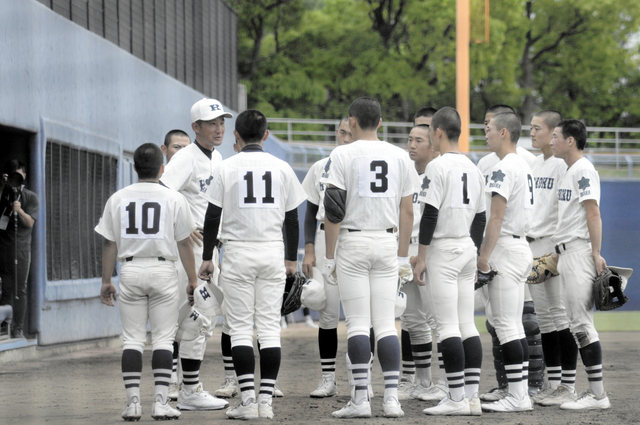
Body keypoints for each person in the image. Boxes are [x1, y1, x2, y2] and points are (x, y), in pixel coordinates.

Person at [198, 109, 307, 420]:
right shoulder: (282, 167)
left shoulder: (227, 167)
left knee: (241, 329)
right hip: (272, 252)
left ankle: (247, 403)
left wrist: (208, 256)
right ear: (266, 135)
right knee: (270, 330)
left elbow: (212, 217)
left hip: (237, 253)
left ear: (236, 135)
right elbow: (292, 218)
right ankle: (267, 403)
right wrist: (290, 258)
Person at [321, 96, 417, 418]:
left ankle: (360, 400)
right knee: (387, 324)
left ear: (351, 122)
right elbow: (407, 211)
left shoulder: (342, 153)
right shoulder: (400, 155)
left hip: (353, 241)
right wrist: (403, 255)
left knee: (359, 324)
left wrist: (329, 257)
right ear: (380, 122)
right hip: (387, 242)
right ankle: (392, 399)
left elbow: (333, 210)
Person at [95, 143, 196, 421]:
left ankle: (133, 403)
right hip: (164, 269)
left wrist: (106, 281)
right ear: (162, 168)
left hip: (129, 270)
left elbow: (108, 243)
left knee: (132, 340)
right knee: (163, 339)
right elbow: (185, 243)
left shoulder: (117, 198)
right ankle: (161, 403)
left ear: (134, 167)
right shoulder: (174, 198)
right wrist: (192, 280)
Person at [412, 107, 486, 415]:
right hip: (466, 247)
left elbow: (429, 214)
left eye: (430, 131)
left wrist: (422, 256)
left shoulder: (437, 167)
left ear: (439, 132)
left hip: (443, 248)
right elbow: (480, 218)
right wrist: (475, 251)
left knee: (446, 327)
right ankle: (471, 396)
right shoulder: (474, 167)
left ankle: (455, 398)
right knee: (467, 323)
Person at [159, 98, 231, 411]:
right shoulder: (186, 158)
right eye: (212, 123)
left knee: (199, 319)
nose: (219, 129)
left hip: (209, 249)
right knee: (194, 318)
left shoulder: (218, 158)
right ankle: (187, 390)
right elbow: (162, 193)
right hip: (187, 251)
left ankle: (184, 388)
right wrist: (183, 223)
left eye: (221, 122)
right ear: (196, 127)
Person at [476, 104, 543, 401]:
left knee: (505, 324)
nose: (485, 133)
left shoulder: (503, 166)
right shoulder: (522, 165)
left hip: (505, 246)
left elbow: (496, 217)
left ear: (504, 132)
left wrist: (483, 256)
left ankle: (517, 396)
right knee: (512, 324)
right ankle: (520, 394)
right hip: (520, 246)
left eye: (489, 128)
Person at [548, 119, 611, 410]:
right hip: (567, 253)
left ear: (570, 140)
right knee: (576, 323)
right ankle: (595, 394)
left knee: (582, 324)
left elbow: (593, 213)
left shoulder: (583, 169)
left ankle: (598, 396)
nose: (551, 140)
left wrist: (595, 253)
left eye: (556, 136)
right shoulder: (568, 170)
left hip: (578, 252)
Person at [526, 111, 580, 407]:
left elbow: (566, 211)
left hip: (552, 244)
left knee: (560, 315)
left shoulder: (562, 165)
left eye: (538, 128)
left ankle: (568, 386)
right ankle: (554, 383)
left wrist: (559, 250)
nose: (532, 133)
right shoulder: (535, 163)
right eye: (531, 128)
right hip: (533, 244)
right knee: (544, 318)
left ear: (553, 133)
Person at [301, 117, 353, 398]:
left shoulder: (361, 166)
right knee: (328, 311)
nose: (346, 138)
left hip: (355, 236)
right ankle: (328, 378)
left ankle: (361, 379)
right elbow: (309, 212)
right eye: (342, 132)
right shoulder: (320, 167)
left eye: (350, 133)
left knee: (360, 315)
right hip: (323, 237)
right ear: (337, 133)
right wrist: (309, 248)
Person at [396, 123, 446, 402]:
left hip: (429, 252)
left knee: (437, 320)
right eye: (409, 139)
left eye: (418, 140)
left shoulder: (439, 173)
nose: (411, 145)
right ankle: (423, 381)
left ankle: (445, 382)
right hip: (407, 252)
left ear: (432, 144)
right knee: (412, 319)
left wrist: (422, 255)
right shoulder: (405, 174)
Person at [159, 128, 191, 400]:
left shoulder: (194, 172)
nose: (181, 152)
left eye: (185, 147)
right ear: (164, 149)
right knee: (168, 319)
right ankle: (169, 379)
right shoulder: (159, 184)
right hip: (167, 257)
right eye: (176, 147)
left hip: (191, 255)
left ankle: (187, 381)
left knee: (190, 318)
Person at [0, 160, 40, 339]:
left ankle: (18, 328)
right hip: (4, 248)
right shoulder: (4, 194)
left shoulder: (30, 197)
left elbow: (30, 222)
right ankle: (3, 327)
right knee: (6, 289)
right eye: (12, 175)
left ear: (24, 176)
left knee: (20, 289)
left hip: (22, 249)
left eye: (19, 175)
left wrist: (20, 211)